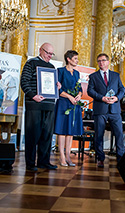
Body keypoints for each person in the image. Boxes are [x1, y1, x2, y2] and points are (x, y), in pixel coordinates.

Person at [20, 42, 60, 171]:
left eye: (51, 54)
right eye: (47, 53)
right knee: (32, 135)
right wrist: (33, 96)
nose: (49, 56)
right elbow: (24, 81)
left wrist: (57, 85)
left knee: (47, 135)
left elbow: (52, 85)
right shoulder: (31, 63)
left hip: (49, 105)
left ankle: (44, 162)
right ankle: (30, 164)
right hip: (34, 105)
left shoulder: (52, 67)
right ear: (40, 50)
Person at [87, 53, 125, 168]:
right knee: (99, 134)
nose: (101, 63)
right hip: (100, 109)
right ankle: (100, 158)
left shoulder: (116, 75)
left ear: (108, 62)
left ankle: (121, 158)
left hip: (115, 109)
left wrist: (117, 98)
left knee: (119, 134)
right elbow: (90, 91)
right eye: (99, 61)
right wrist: (101, 97)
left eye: (103, 60)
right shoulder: (93, 76)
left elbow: (122, 89)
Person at [54, 50, 83, 167]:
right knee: (62, 130)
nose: (77, 61)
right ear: (68, 59)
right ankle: (61, 156)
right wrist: (69, 97)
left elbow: (80, 88)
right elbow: (58, 89)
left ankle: (68, 156)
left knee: (70, 131)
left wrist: (79, 95)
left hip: (74, 104)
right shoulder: (60, 71)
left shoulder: (77, 73)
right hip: (63, 103)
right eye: (75, 58)